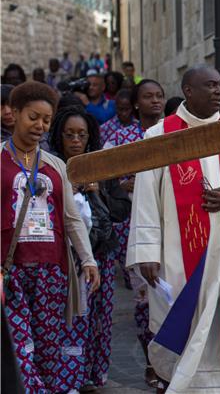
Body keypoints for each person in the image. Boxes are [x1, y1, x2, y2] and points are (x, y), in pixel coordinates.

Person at [127, 66, 220, 393]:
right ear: (188, 90)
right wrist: (147, 251)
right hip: (176, 256)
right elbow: (145, 199)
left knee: (218, 331)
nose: (218, 91)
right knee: (184, 328)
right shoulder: (160, 136)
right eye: (209, 85)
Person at [1, 81, 100, 393]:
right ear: (14, 113)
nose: (40, 126)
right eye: (33, 117)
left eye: (46, 120)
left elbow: (71, 219)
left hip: (52, 272)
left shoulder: (56, 165)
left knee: (47, 348)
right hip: (10, 271)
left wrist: (87, 259)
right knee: (19, 349)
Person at [50, 106, 121, 390]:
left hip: (101, 253)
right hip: (68, 256)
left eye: (82, 135)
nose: (76, 141)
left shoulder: (102, 166)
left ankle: (94, 373)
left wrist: (96, 191)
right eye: (70, 135)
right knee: (73, 317)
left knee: (100, 319)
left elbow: (120, 210)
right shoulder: (52, 168)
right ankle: (70, 376)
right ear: (60, 136)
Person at [105, 78, 165, 386]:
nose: (154, 101)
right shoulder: (120, 137)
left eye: (159, 96)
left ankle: (172, 360)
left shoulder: (174, 132)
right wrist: (124, 184)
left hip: (171, 226)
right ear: (136, 103)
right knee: (145, 299)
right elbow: (104, 179)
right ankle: (152, 361)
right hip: (133, 226)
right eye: (148, 97)